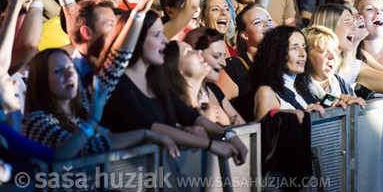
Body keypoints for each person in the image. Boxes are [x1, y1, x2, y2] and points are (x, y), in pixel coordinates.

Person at [101, 11, 248, 164]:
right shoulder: (117, 84)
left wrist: (229, 135)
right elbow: (148, 126)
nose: (165, 41)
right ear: (136, 38)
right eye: (157, 35)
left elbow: (190, 116)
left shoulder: (156, 79)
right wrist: (211, 144)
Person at [23, 48, 178, 158]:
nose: (69, 73)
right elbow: (82, 148)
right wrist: (93, 120)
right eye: (58, 71)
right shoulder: (35, 121)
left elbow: (114, 69)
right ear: (41, 80)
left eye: (70, 67)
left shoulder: (82, 107)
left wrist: (136, 17)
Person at [184, 27, 244, 125]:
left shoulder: (213, 89)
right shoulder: (180, 92)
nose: (223, 63)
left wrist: (228, 124)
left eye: (223, 56)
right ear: (196, 54)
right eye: (216, 56)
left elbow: (244, 126)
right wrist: (226, 127)